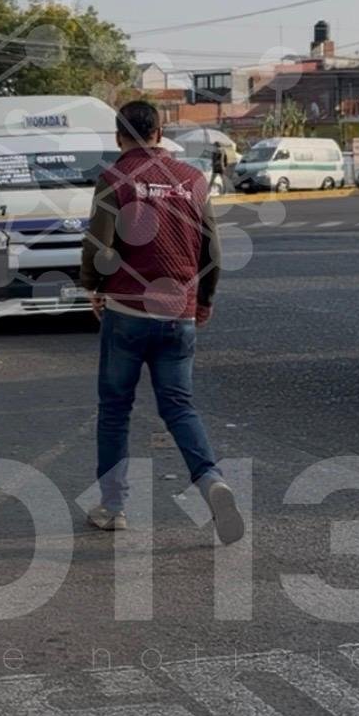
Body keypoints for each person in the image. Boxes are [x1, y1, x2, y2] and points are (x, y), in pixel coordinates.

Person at [80, 100, 243, 545]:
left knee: (115, 410)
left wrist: (94, 287)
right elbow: (213, 251)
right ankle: (211, 481)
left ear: (118, 137)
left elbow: (99, 246)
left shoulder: (114, 178)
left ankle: (113, 508)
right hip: (180, 314)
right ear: (160, 131)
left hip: (128, 313)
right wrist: (204, 300)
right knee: (179, 406)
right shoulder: (192, 180)